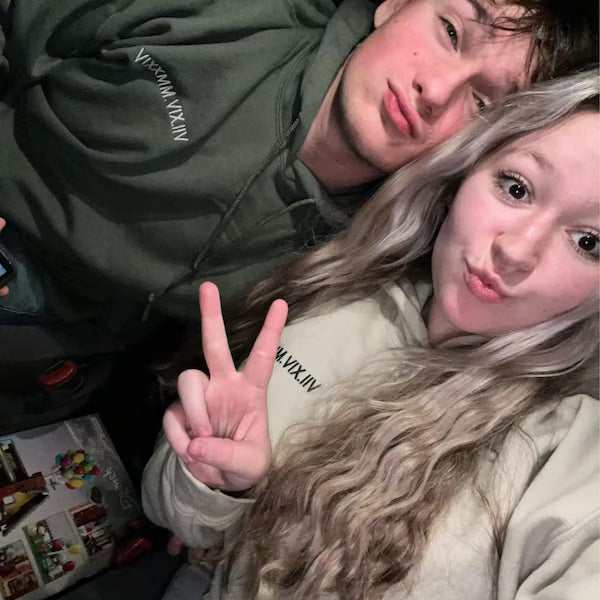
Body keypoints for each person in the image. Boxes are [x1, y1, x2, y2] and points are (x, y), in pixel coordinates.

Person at [142, 69, 599, 599]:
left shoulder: (566, 448)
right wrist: (213, 482)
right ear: (466, 169)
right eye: (516, 187)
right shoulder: (341, 284)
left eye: (589, 242)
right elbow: (177, 516)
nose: (516, 250)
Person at [0, 0, 597, 329]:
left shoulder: (370, 258)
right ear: (395, 4)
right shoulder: (225, 14)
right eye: (449, 31)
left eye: (484, 103)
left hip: (68, 346)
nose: (436, 90)